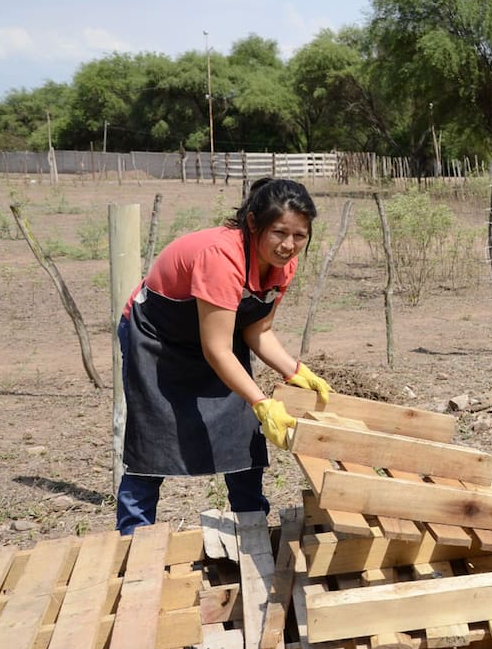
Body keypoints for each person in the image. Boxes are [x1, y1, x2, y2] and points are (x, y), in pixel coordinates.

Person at [116, 177, 332, 534]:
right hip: (157, 340)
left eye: (300, 236)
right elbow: (217, 348)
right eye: (279, 232)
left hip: (215, 337)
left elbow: (257, 331)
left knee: (243, 432)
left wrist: (295, 371)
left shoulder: (283, 265)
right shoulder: (220, 256)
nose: (288, 246)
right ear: (252, 223)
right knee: (150, 443)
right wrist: (262, 402)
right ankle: (132, 537)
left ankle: (252, 524)